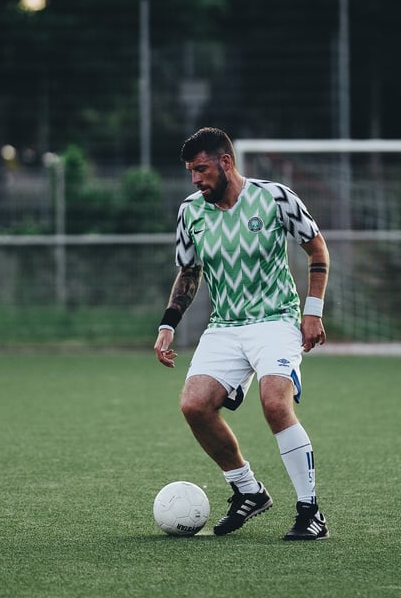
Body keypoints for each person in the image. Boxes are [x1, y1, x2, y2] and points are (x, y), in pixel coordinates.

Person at [154, 127, 330, 540]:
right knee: (194, 406)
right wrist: (168, 324)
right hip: (225, 326)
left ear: (225, 163)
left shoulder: (275, 198)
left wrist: (313, 312)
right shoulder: (190, 211)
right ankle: (248, 489)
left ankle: (311, 512)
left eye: (201, 169)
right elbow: (189, 271)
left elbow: (317, 249)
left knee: (274, 403)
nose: (196, 179)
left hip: (275, 319)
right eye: (190, 172)